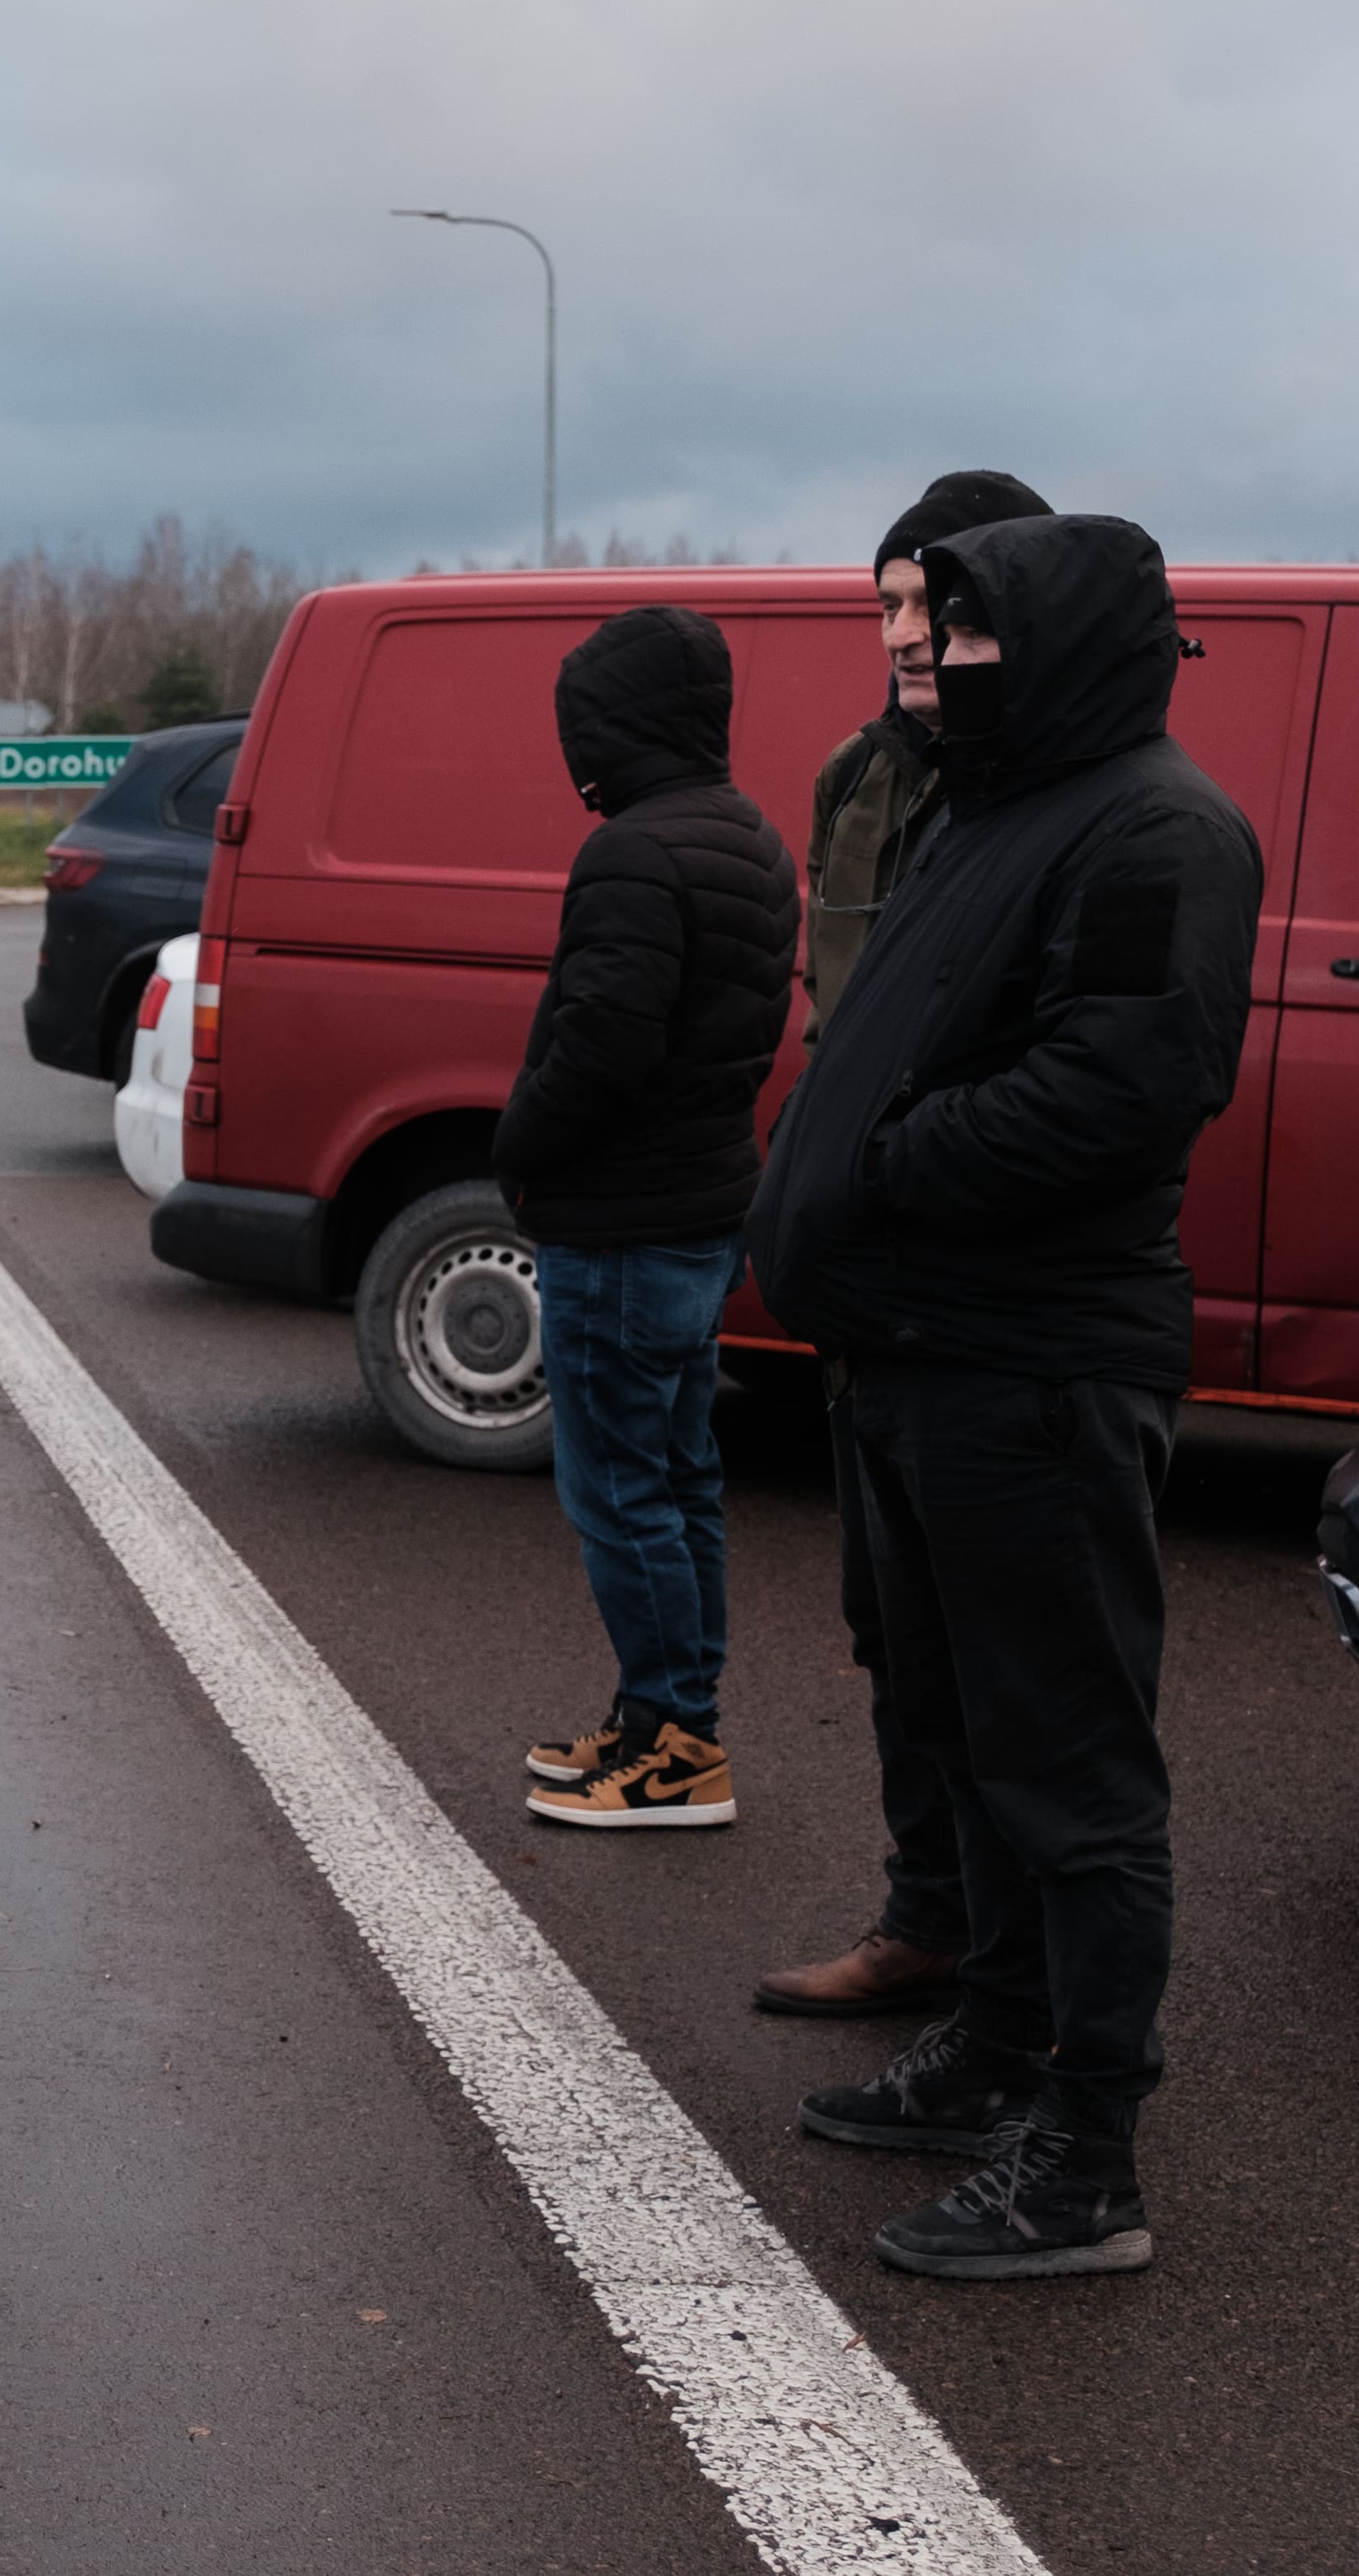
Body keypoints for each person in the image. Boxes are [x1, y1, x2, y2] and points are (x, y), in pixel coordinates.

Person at [746, 512, 1261, 2281]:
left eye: (965, 637)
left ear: (1056, 649)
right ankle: (997, 2044)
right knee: (960, 1731)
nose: (934, 663)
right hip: (919, 1351)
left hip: (1031, 1365)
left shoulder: (1156, 831)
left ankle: (1087, 2151)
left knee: (1068, 1765)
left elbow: (1119, 1089)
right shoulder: (997, 803)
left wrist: (876, 1162)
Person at [754, 469, 1050, 2019]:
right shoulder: (853, 780)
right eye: (885, 608)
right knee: (892, 1627)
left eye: (932, 607)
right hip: (866, 1282)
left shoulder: (1049, 792)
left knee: (1011, 1656)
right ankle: (925, 1915)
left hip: (986, 1289)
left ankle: (1022, 1972)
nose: (906, 637)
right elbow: (832, 1008)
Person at [499, 608, 798, 1832]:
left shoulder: (633, 851)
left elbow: (602, 1045)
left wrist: (519, 1148)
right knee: (677, 1480)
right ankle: (660, 1721)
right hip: (697, 1209)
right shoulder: (753, 837)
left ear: (612, 727)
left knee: (619, 1491)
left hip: (619, 1227)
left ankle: (677, 1751)